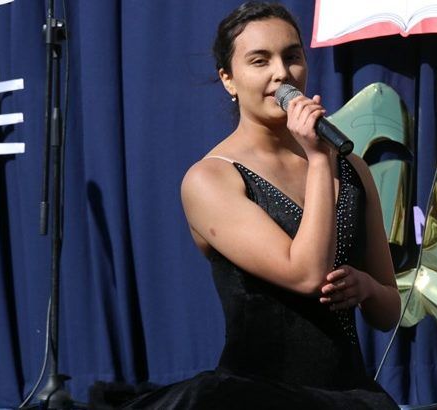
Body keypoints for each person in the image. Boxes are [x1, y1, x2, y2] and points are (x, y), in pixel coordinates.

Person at [124, 2, 400, 409]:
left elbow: (389, 311)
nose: (281, 73)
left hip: (348, 396)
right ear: (228, 79)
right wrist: (319, 160)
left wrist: (367, 288)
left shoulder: (352, 168)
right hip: (252, 395)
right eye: (260, 61)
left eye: (292, 56)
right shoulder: (211, 178)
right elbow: (307, 274)